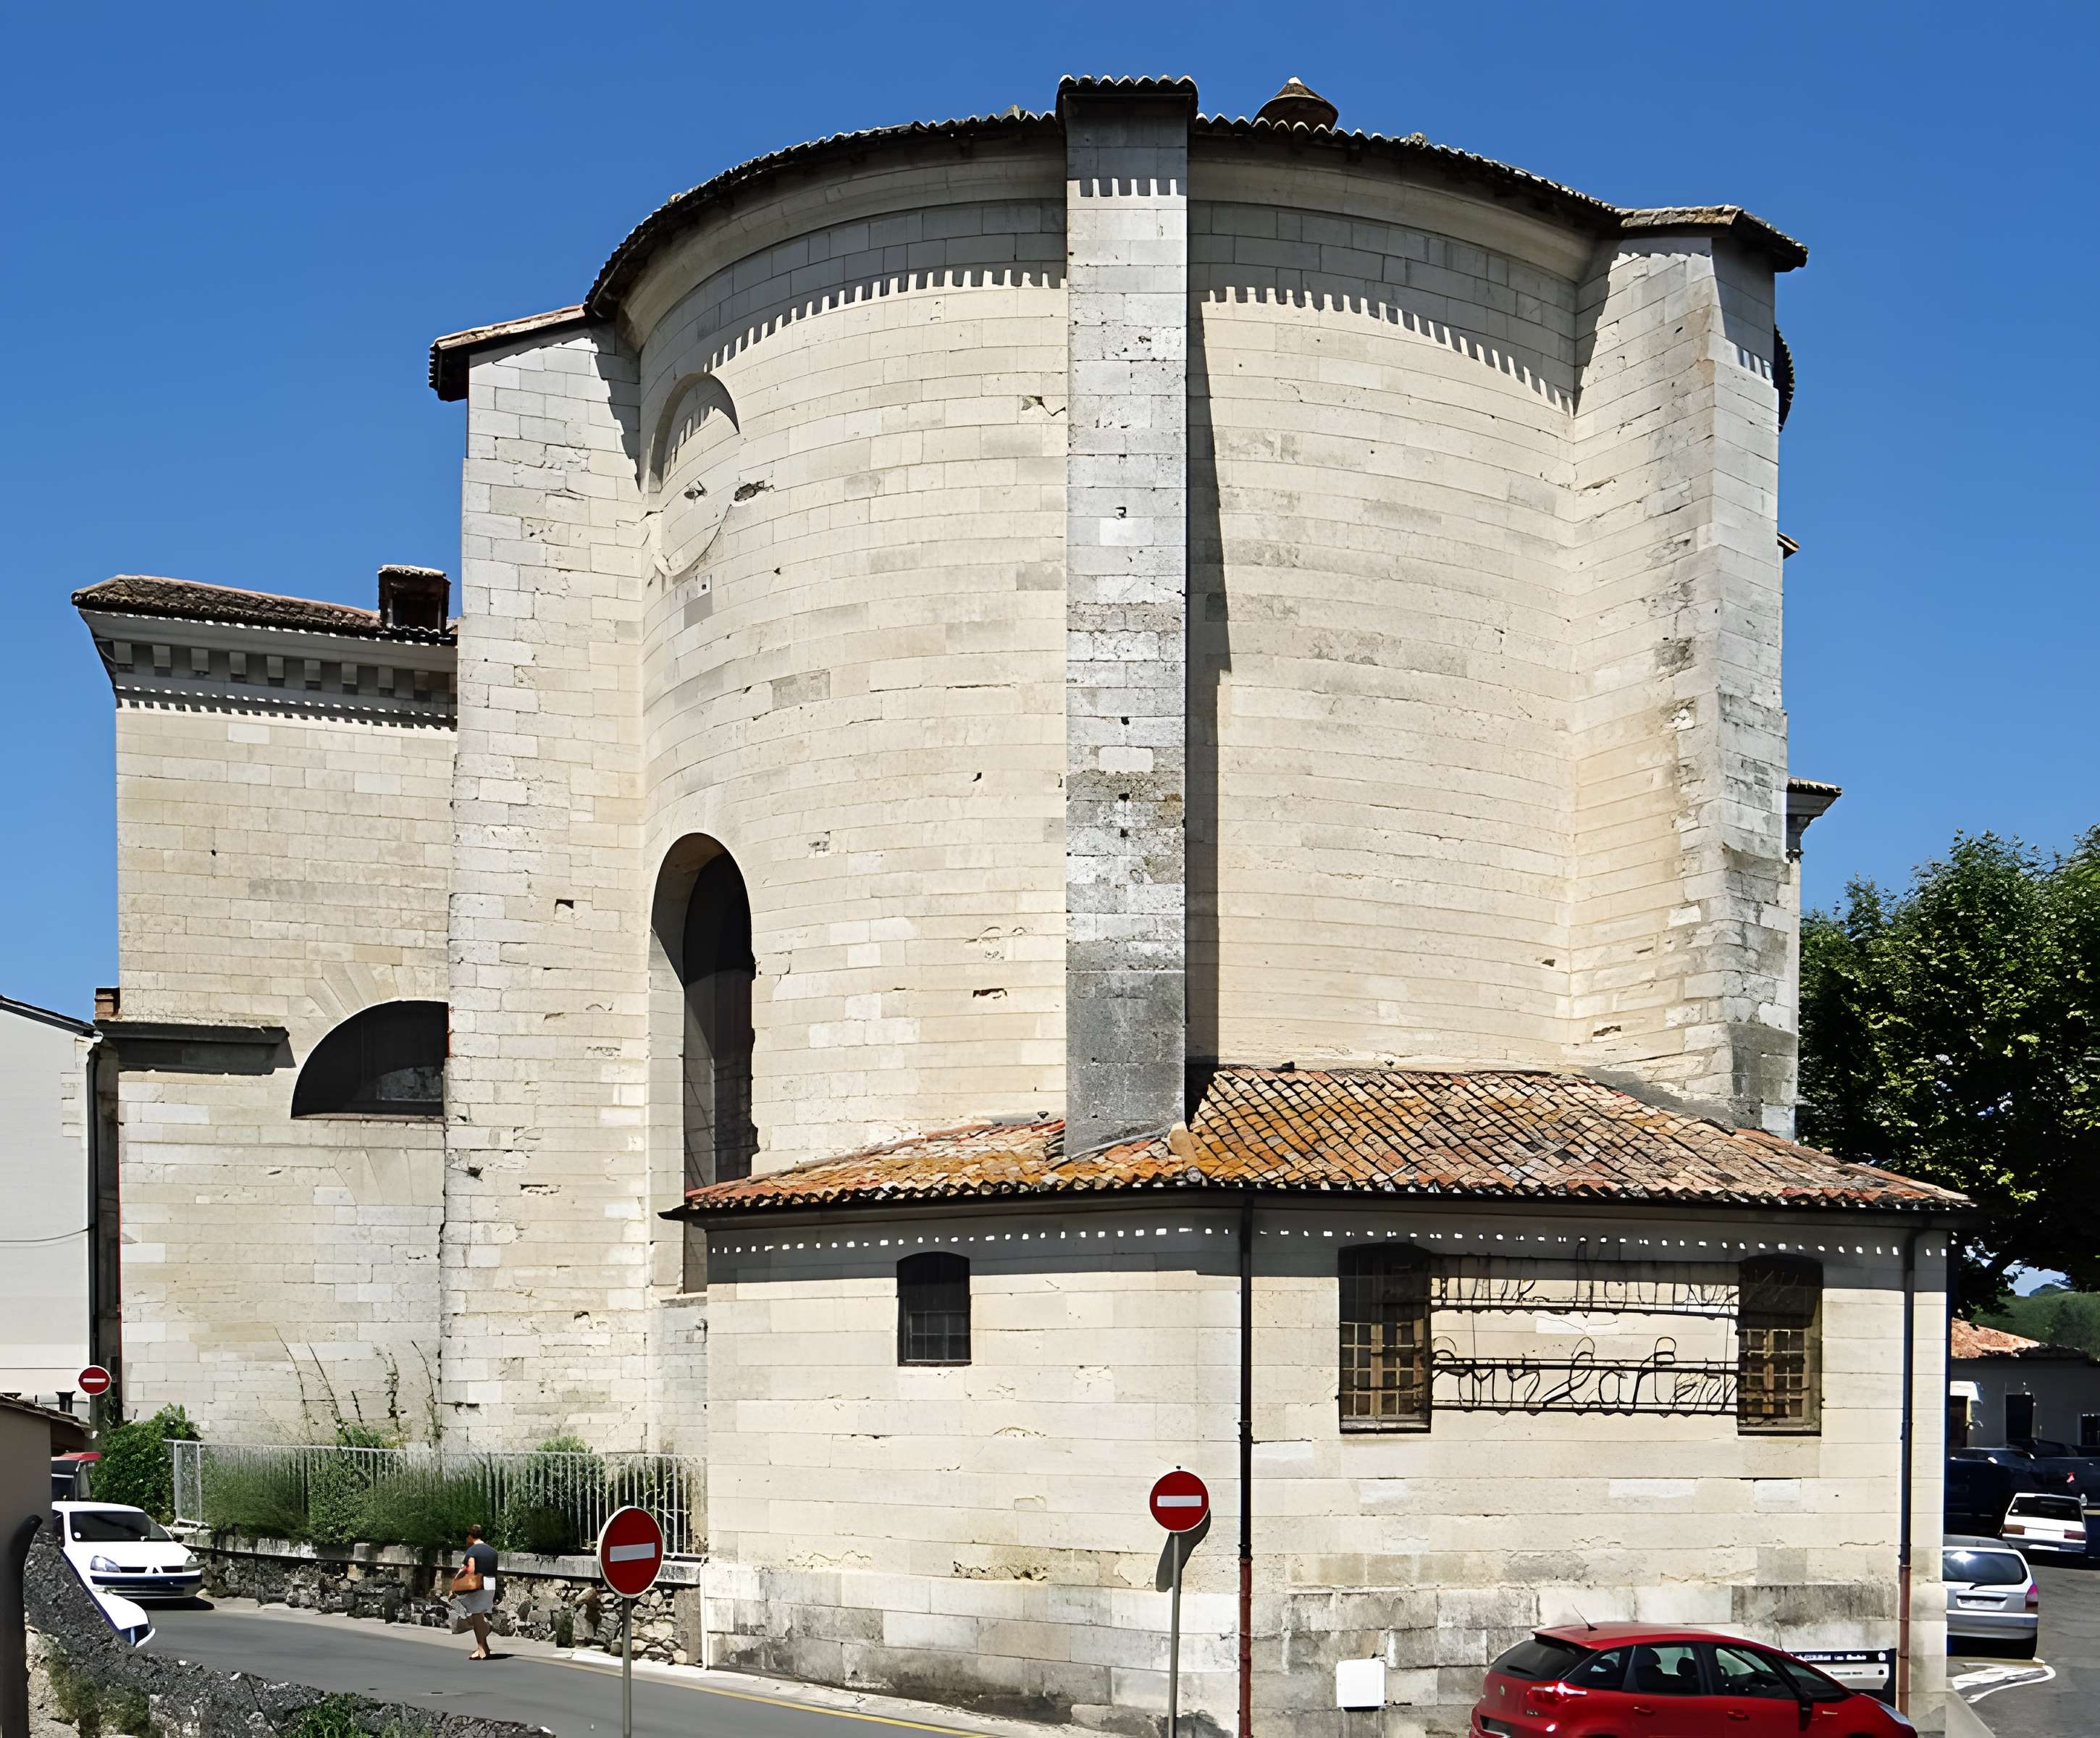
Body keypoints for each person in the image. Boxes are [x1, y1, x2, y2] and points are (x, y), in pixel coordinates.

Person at [452, 1524, 498, 1661]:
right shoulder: (493, 1551)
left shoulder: (472, 1551)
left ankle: (482, 1650)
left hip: (478, 1585)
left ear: (470, 1536)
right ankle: (485, 1648)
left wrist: (459, 1575)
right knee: (478, 1615)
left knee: (476, 1617)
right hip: (491, 1585)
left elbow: (470, 1569)